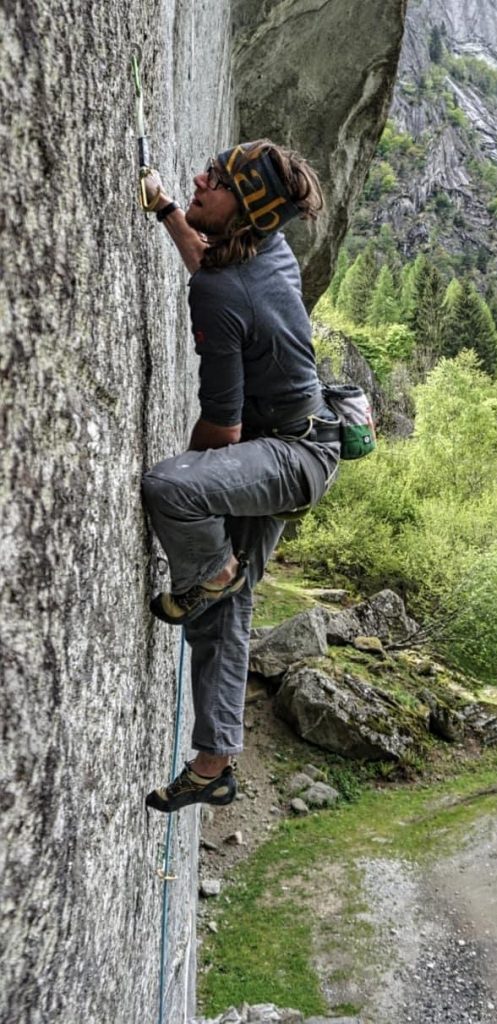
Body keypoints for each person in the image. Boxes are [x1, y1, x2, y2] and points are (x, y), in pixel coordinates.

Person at [140, 140, 340, 813]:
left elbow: (220, 433)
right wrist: (170, 210)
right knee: (224, 611)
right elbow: (214, 265)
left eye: (217, 180)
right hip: (296, 442)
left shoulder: (226, 287)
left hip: (288, 454)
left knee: (173, 487)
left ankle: (206, 574)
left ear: (247, 209)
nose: (201, 178)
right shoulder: (265, 247)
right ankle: (213, 763)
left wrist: (208, 478)